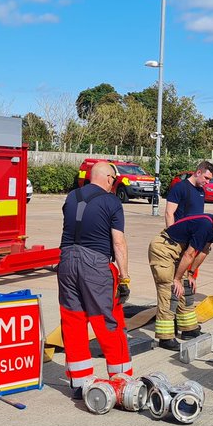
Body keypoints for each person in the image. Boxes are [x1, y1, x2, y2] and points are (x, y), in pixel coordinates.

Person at [57, 161, 133, 398]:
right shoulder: (112, 201)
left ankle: (79, 383)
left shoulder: (72, 197)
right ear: (109, 179)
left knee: (73, 321)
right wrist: (124, 277)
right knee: (108, 321)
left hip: (66, 261)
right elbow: (118, 242)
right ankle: (122, 380)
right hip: (95, 265)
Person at [148, 211, 213, 350]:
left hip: (177, 251)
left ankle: (189, 329)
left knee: (186, 289)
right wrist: (176, 279)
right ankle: (165, 338)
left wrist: (191, 273)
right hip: (163, 250)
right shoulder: (204, 225)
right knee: (170, 291)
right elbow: (189, 254)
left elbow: (203, 252)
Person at [164, 160, 213, 309]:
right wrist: (172, 237)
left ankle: (185, 314)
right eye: (206, 178)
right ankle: (172, 313)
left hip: (192, 244)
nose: (207, 182)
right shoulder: (180, 188)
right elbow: (169, 213)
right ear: (198, 172)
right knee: (175, 279)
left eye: (210, 180)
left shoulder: (201, 191)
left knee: (189, 280)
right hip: (179, 241)